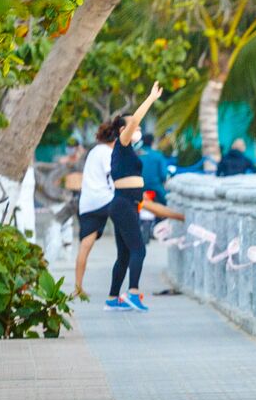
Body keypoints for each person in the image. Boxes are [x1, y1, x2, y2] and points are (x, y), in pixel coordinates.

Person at [99, 83, 185, 313]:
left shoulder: (126, 150)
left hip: (126, 203)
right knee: (139, 249)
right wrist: (150, 97)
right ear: (123, 130)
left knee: (125, 254)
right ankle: (133, 293)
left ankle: (112, 298)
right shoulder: (123, 143)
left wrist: (179, 215)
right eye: (131, 127)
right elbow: (135, 121)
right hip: (123, 203)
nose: (136, 130)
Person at [72, 123, 117, 300]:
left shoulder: (94, 151)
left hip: (87, 203)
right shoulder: (107, 152)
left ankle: (78, 287)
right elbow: (112, 175)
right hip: (104, 199)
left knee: (85, 246)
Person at [137, 131, 170, 243]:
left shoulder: (136, 154)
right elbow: (163, 175)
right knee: (166, 207)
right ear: (152, 142)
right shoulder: (158, 156)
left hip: (138, 188)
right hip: (156, 188)